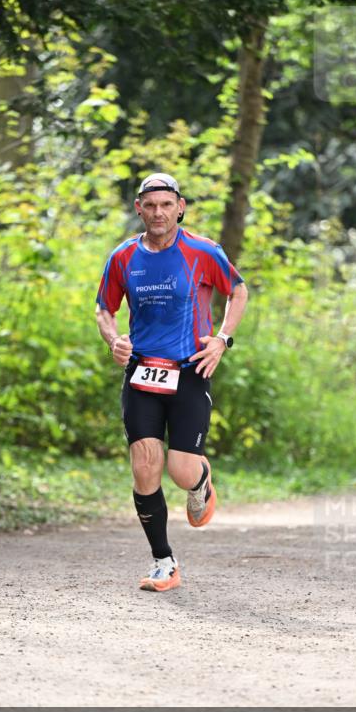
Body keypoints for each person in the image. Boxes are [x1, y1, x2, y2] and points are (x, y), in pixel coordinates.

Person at [95, 172, 249, 592]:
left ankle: (199, 480)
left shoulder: (202, 251)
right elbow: (103, 310)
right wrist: (115, 340)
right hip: (142, 371)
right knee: (145, 466)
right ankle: (164, 561)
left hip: (189, 371)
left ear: (180, 207)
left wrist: (222, 340)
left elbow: (238, 290)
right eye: (150, 205)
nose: (158, 212)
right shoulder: (123, 257)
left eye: (167, 204)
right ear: (138, 209)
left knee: (180, 471)